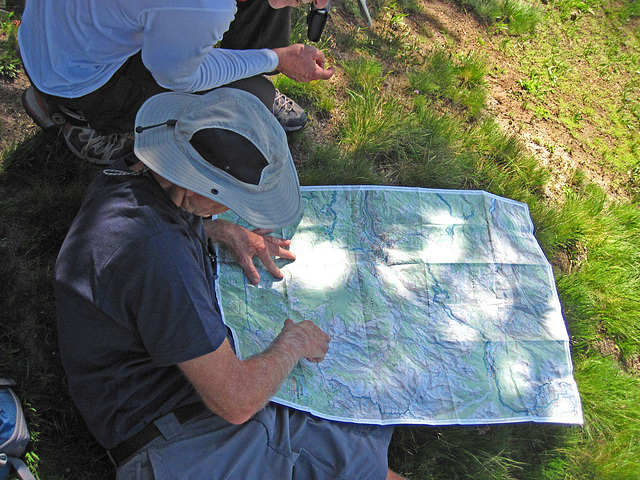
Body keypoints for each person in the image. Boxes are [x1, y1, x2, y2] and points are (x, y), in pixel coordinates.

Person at [53, 78, 406, 479]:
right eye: (228, 200)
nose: (232, 209)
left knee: (357, 426)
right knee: (363, 466)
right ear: (197, 187)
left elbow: (157, 232)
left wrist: (219, 229)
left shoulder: (130, 177)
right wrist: (291, 345)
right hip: (181, 444)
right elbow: (236, 401)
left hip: (178, 415)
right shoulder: (161, 258)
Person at [18, 0, 335, 166]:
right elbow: (179, 78)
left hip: (57, 35)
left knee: (267, 6)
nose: (319, 4)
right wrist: (276, 58)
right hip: (77, 76)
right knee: (250, 96)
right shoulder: (202, 6)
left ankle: (251, 70)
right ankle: (73, 114)